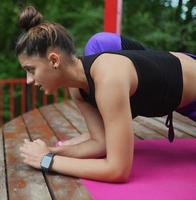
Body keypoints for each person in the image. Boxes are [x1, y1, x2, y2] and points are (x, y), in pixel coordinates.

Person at [17, 6, 196, 182]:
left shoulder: (107, 77)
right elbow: (99, 143)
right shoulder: (77, 88)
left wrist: (46, 161)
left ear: (54, 60)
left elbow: (118, 170)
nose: (28, 80)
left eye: (31, 70)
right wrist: (50, 151)